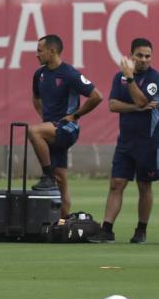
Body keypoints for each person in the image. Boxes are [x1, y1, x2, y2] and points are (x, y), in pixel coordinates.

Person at [89, 38, 159, 244]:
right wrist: (136, 107)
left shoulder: (154, 77)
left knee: (144, 185)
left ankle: (141, 229)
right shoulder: (118, 77)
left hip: (148, 141)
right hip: (126, 141)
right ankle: (107, 229)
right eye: (139, 55)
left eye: (148, 56)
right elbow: (112, 105)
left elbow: (142, 99)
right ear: (131, 56)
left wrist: (130, 79)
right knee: (116, 183)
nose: (144, 60)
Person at [28, 34, 103, 219]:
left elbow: (97, 96)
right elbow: (36, 98)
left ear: (52, 51)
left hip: (67, 128)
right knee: (61, 178)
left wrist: (75, 115)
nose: (36, 54)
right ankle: (63, 224)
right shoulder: (40, 74)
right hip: (51, 129)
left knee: (33, 131)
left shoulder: (69, 73)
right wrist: (44, 118)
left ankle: (47, 176)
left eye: (39, 51)